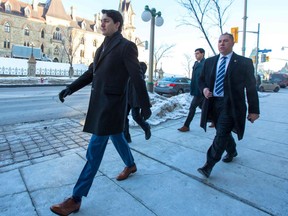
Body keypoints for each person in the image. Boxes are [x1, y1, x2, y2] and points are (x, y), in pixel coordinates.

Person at [50, 9, 152, 215]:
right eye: (102, 21)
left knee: (93, 152)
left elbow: (137, 76)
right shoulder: (102, 48)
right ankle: (130, 165)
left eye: (106, 21)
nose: (102, 24)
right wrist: (70, 88)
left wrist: (145, 104)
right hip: (99, 105)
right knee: (118, 137)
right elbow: (91, 73)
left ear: (117, 24)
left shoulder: (127, 47)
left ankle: (76, 199)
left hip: (111, 108)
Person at [197, 33, 260, 178]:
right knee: (222, 131)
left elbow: (251, 88)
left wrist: (254, 110)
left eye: (225, 41)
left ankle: (208, 165)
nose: (222, 44)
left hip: (231, 105)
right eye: (219, 41)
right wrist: (205, 89)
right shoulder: (210, 62)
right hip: (214, 103)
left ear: (232, 43)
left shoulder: (244, 62)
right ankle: (232, 151)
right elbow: (201, 81)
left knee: (221, 133)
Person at [178, 48, 205, 132]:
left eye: (197, 53)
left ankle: (186, 126)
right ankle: (214, 121)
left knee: (192, 107)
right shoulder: (196, 63)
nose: (196, 55)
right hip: (196, 89)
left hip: (201, 91)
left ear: (202, 54)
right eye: (195, 54)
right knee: (203, 107)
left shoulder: (206, 63)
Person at [124, 61, 151, 143]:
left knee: (136, 116)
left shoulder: (140, 75)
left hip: (136, 99)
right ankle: (126, 137)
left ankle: (146, 127)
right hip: (127, 97)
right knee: (124, 117)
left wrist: (146, 105)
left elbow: (143, 90)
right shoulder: (130, 71)